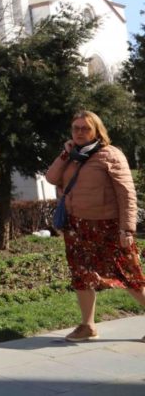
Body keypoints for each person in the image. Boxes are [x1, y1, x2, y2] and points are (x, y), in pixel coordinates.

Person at [45, 110, 145, 342]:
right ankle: (87, 326)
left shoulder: (110, 155)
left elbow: (127, 194)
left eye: (85, 128)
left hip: (109, 226)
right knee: (81, 275)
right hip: (77, 226)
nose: (79, 133)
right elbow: (51, 178)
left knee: (130, 276)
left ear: (97, 130)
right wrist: (64, 154)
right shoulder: (71, 155)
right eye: (76, 128)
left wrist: (127, 229)